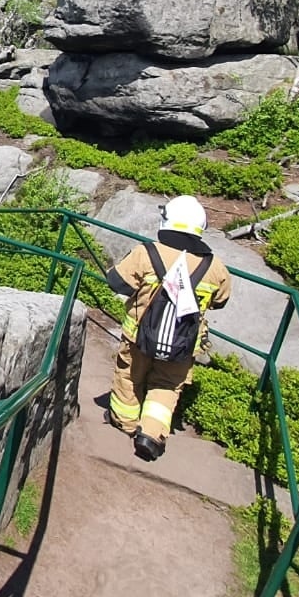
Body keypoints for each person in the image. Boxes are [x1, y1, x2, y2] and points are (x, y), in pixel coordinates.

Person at [103, 195, 232, 461]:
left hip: (138, 336)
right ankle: (150, 433)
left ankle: (125, 422)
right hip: (182, 345)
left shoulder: (147, 253)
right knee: (166, 385)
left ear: (167, 221)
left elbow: (116, 282)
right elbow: (221, 300)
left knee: (129, 376)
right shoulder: (214, 266)